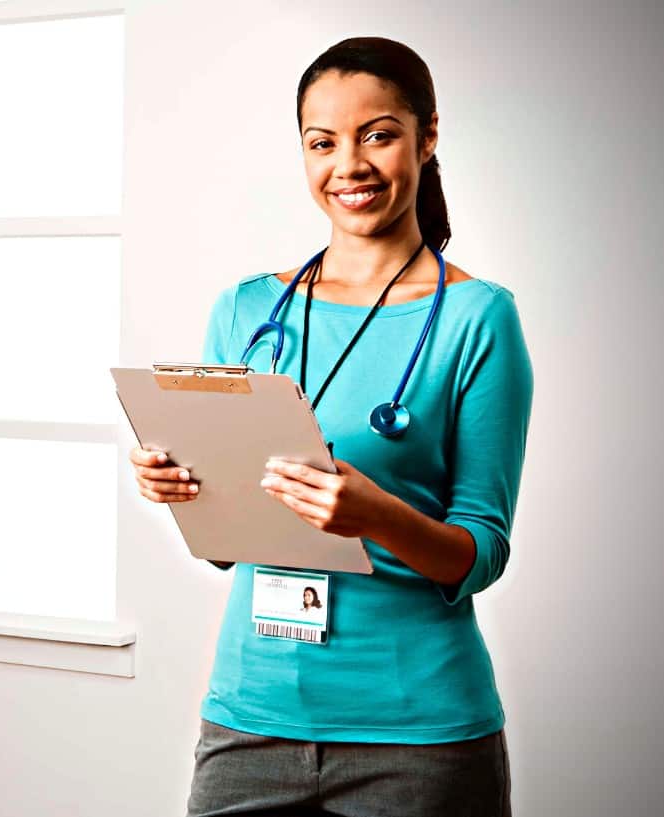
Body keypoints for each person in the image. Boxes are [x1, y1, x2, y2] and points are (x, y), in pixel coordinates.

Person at [128, 37, 533, 817]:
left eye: (377, 134)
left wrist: (374, 513)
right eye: (323, 142)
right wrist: (181, 489)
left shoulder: (478, 319)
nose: (349, 164)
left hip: (420, 735)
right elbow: (224, 549)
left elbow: (482, 552)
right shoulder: (246, 311)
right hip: (252, 717)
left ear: (428, 136)